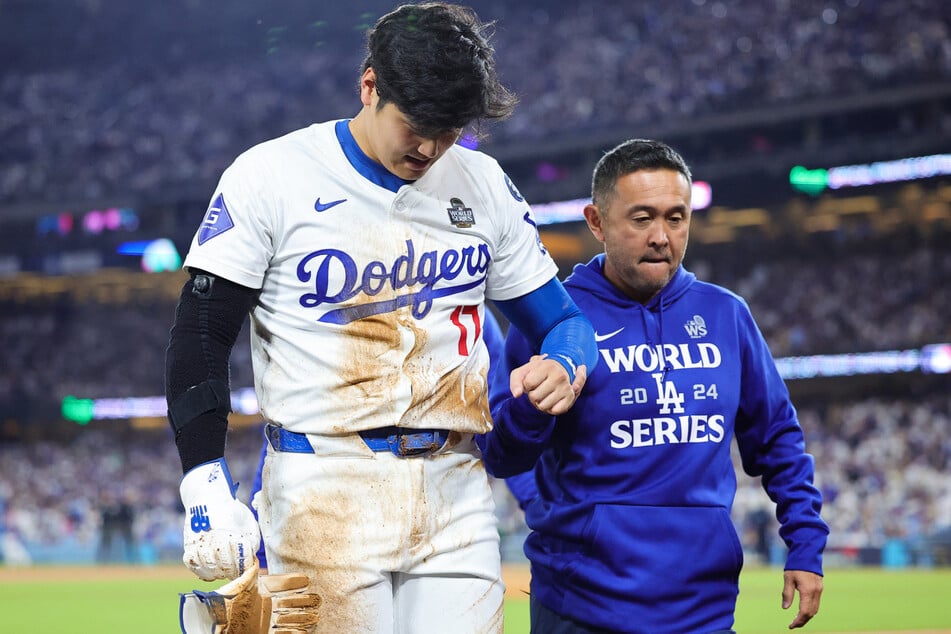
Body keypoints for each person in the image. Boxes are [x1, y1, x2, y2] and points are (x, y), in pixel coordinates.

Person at [164, 3, 597, 632]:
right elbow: (202, 331)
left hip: (454, 484)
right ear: (370, 86)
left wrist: (565, 361)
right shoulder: (271, 176)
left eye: (449, 129)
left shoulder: (481, 182)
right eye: (416, 123)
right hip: (323, 483)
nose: (430, 146)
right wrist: (203, 477)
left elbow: (566, 322)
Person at [478, 139, 828, 633]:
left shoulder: (727, 315)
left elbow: (778, 441)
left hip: (703, 609)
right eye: (642, 219)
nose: (662, 236)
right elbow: (500, 455)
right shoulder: (553, 319)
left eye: (676, 217)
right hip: (581, 605)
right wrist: (534, 407)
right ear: (596, 223)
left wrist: (806, 546)